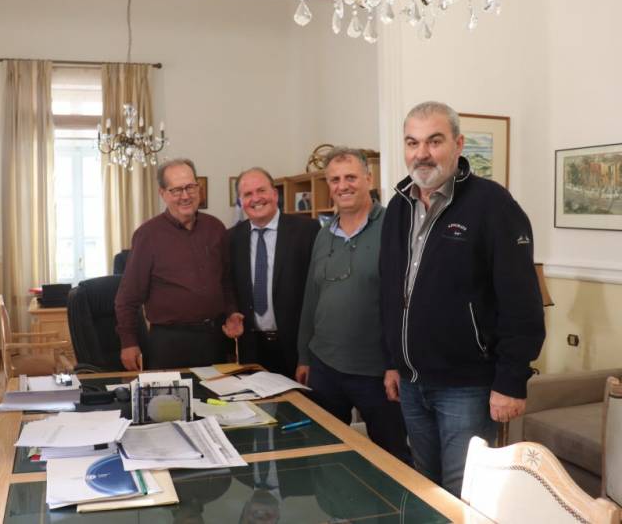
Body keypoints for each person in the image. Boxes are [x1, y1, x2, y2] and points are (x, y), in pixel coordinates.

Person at [380, 101, 545, 495]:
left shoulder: (492, 205)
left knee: (463, 493)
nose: (422, 153)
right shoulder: (398, 207)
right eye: (412, 142)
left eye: (434, 141)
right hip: (412, 384)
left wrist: (511, 380)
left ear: (458, 144)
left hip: (466, 388)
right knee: (425, 486)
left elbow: (521, 300)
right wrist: (392, 362)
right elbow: (389, 291)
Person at [296, 148, 411, 463]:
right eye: (335, 180)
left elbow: (404, 302)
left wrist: (395, 364)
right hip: (324, 366)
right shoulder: (324, 234)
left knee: (392, 458)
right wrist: (304, 356)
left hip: (376, 372)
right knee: (324, 455)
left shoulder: (394, 228)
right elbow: (312, 298)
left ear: (368, 179)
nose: (342, 186)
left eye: (350, 177)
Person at [115, 158, 243, 370]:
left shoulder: (216, 228)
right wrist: (128, 342)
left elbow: (226, 281)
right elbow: (128, 297)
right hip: (169, 343)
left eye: (190, 187)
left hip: (215, 340)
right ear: (163, 193)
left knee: (217, 393)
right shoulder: (147, 235)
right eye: (176, 190)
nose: (185, 196)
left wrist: (231, 312)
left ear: (198, 188)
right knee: (170, 394)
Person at [228, 167, 319, 378]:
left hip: (297, 348)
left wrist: (307, 354)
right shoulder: (231, 238)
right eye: (247, 194)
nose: (255, 199)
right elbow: (228, 285)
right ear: (241, 202)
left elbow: (317, 290)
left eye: (261, 190)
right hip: (251, 348)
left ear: (275, 194)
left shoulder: (308, 231)